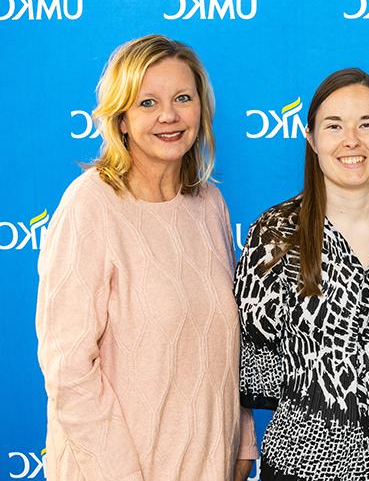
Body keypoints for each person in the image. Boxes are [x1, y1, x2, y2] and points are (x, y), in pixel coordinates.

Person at [36, 35, 258, 481]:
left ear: (201, 108)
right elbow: (69, 371)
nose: (169, 116)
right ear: (120, 118)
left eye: (182, 98)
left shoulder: (209, 203)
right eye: (147, 103)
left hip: (206, 464)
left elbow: (222, 343)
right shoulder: (90, 205)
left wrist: (242, 442)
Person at [234, 68, 369, 480]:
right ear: (312, 139)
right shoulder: (276, 233)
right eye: (334, 126)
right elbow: (256, 364)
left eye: (366, 124)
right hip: (302, 462)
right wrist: (322, 405)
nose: (352, 140)